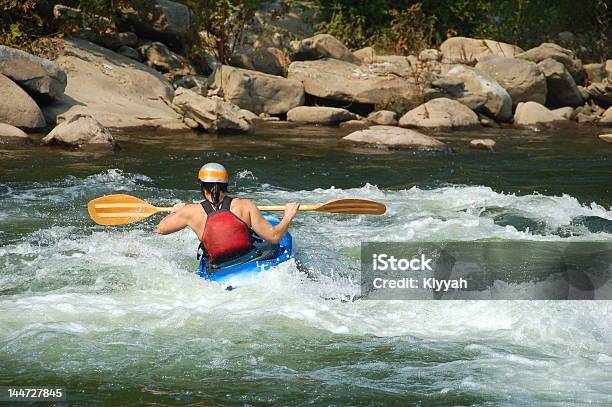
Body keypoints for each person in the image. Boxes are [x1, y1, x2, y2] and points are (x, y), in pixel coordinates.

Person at [157, 163, 300, 264]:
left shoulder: (190, 212)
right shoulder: (245, 206)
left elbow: (161, 229)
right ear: (225, 184)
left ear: (202, 186)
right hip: (248, 260)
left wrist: (178, 210)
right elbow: (274, 237)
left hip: (218, 267)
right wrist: (288, 216)